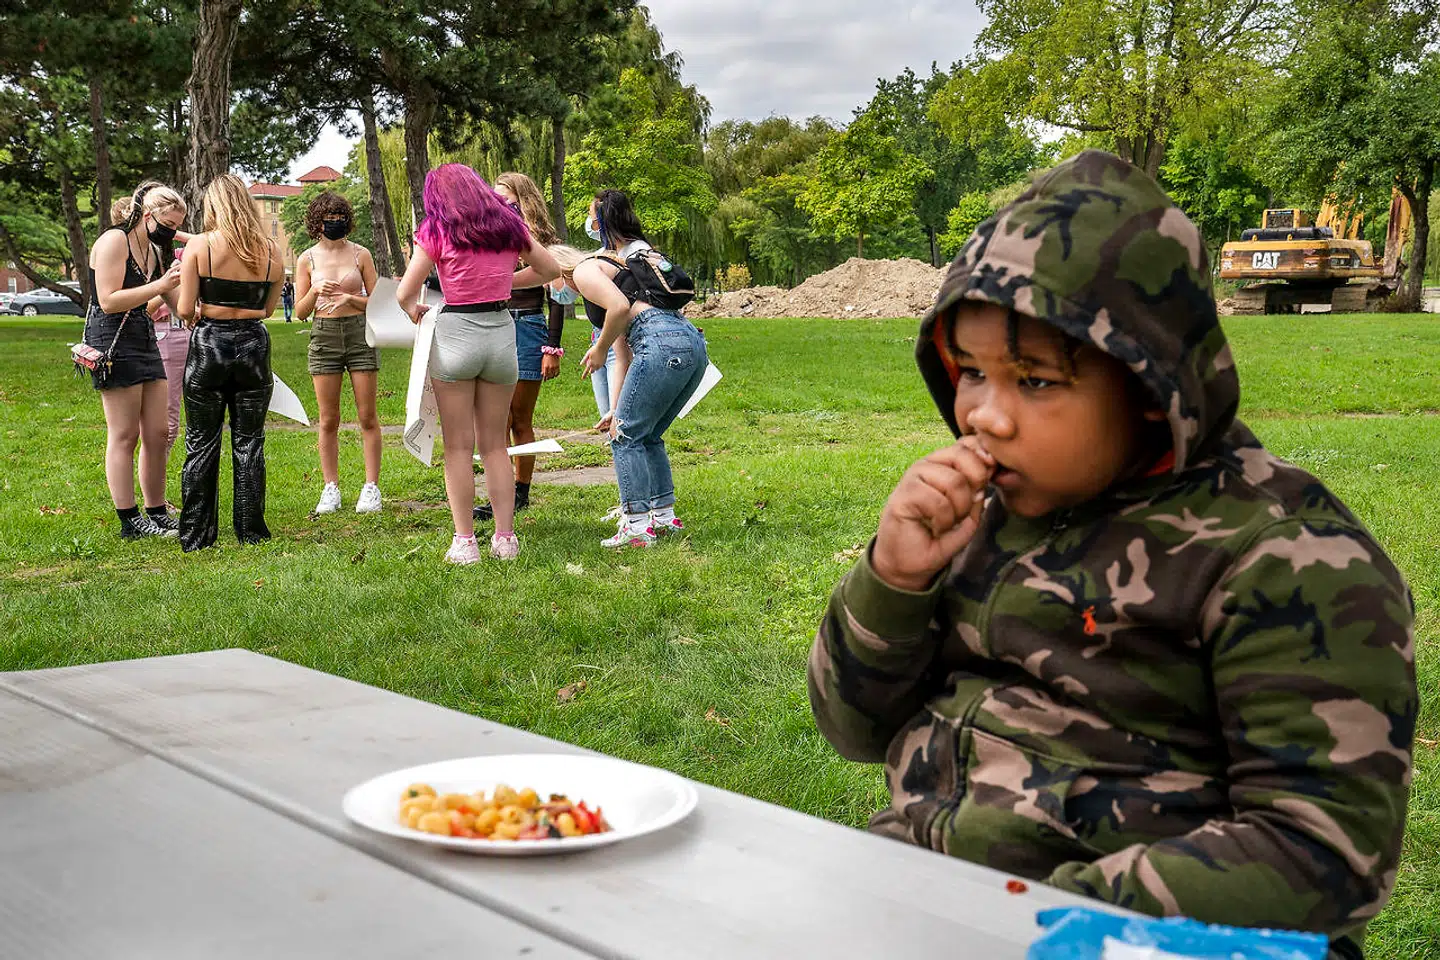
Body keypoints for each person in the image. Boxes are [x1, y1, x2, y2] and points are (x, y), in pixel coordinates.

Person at [807, 151, 1415, 954]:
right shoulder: (981, 516)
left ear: (1149, 385)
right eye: (972, 374)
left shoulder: (1285, 554)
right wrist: (893, 580)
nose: (984, 417)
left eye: (1035, 382)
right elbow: (852, 730)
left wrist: (1049, 921)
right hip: (932, 902)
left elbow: (1326, 848)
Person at [395, 164, 560, 564]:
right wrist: (507, 281)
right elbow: (551, 270)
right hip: (501, 335)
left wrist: (415, 310)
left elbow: (404, 292)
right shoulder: (508, 226)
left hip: (455, 333)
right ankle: (505, 539)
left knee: (457, 447)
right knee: (494, 447)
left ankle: (465, 542)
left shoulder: (437, 229)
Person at [575, 190, 707, 548]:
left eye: (592, 216)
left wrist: (597, 349)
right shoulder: (638, 257)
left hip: (659, 341)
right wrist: (616, 410)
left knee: (626, 438)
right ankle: (663, 518)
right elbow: (626, 353)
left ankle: (635, 527)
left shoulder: (589, 269)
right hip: (692, 342)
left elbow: (618, 314)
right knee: (645, 434)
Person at [175, 173, 285, 552]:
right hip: (254, 345)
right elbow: (268, 309)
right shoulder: (271, 251)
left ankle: (196, 534)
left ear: (214, 205)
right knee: (250, 440)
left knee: (201, 442)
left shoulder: (201, 247)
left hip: (210, 344)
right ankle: (251, 530)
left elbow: (184, 308)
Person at [83, 182, 187, 540]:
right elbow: (109, 299)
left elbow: (174, 301)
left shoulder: (156, 250)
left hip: (143, 337)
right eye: (168, 224)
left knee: (158, 432)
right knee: (124, 434)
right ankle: (129, 519)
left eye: (177, 226)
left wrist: (194, 312)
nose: (171, 232)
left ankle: (156, 509)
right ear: (147, 216)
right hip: (111, 339)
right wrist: (160, 286)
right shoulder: (115, 241)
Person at [471, 172, 566, 523]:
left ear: (523, 199)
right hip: (494, 324)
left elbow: (558, 297)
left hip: (528, 327)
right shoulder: (493, 236)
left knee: (520, 417)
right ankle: (502, 490)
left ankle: (520, 491)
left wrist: (551, 348)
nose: (498, 204)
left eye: (505, 198)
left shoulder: (542, 240)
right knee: (498, 418)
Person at [293, 191, 382, 516]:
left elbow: (379, 301)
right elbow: (301, 312)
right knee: (328, 419)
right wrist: (316, 290)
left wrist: (351, 300)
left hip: (359, 333)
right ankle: (331, 487)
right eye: (329, 220)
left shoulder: (361, 254)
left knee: (367, 416)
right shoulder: (307, 259)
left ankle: (371, 487)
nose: (335, 224)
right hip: (324, 336)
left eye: (340, 218)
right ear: (317, 223)